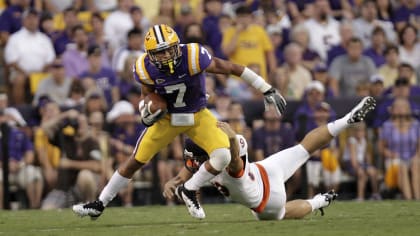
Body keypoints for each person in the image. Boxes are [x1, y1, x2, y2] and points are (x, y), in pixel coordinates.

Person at [73, 24, 286, 220]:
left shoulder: (193, 55)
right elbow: (146, 94)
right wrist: (145, 109)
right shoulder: (144, 67)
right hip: (167, 119)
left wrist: (266, 88)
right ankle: (100, 203)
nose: (166, 56)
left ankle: (189, 189)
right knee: (136, 160)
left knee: (223, 155)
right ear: (150, 54)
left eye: (169, 49)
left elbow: (231, 68)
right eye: (160, 52)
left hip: (197, 115)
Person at [163, 96, 376, 220]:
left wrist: (177, 182)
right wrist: (232, 141)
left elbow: (207, 165)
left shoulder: (213, 164)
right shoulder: (220, 156)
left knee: (282, 212)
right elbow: (217, 163)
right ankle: (347, 120)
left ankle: (319, 201)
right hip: (264, 174)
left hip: (264, 193)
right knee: (303, 149)